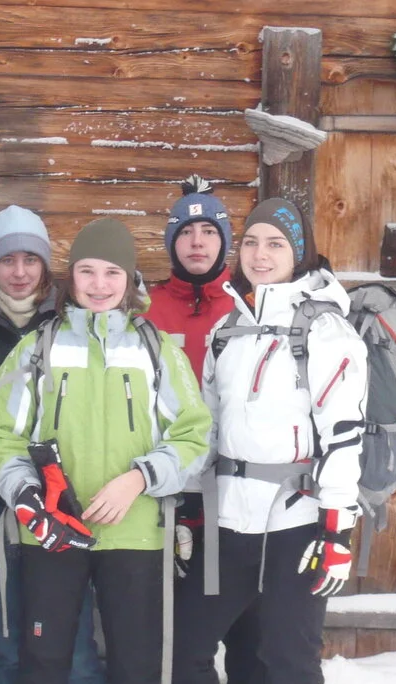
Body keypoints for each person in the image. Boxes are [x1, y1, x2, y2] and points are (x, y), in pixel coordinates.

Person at [0, 218, 211, 684]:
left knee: (136, 664)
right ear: (70, 278)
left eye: (112, 272)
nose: (99, 284)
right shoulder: (36, 348)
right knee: (44, 663)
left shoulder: (157, 350)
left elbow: (194, 434)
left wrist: (141, 477)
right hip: (52, 531)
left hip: (136, 532)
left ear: (129, 279)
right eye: (87, 271)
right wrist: (27, 493)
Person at [172, 199, 368, 684]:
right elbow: (208, 429)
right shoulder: (228, 329)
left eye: (276, 244)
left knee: (286, 661)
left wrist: (337, 530)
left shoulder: (326, 331)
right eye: (252, 242)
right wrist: (190, 510)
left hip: (295, 525)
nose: (261, 255)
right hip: (227, 522)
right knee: (182, 650)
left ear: (298, 252)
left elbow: (344, 436)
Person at [0, 205, 107, 684]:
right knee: (3, 638)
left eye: (30, 260)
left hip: (64, 504)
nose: (19, 272)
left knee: (74, 639)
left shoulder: (73, 327)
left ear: (45, 265)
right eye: (7, 261)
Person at [143, 175, 263, 684]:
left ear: (225, 242)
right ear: (172, 241)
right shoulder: (144, 307)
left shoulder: (250, 306)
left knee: (251, 641)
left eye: (209, 232)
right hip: (172, 495)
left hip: (240, 496)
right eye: (187, 231)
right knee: (180, 638)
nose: (197, 242)